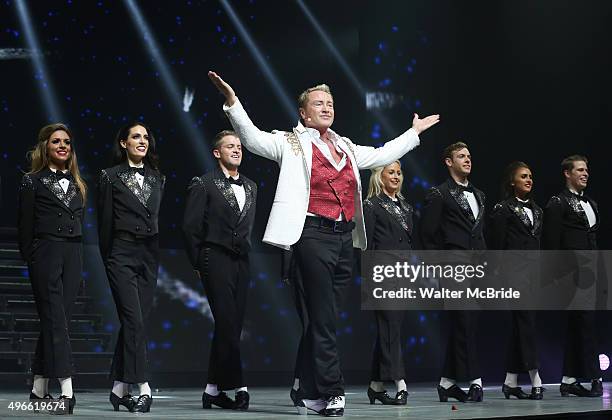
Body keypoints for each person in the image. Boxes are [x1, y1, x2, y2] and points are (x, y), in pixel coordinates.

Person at [209, 71, 439, 417]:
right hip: (311, 234)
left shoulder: (345, 145)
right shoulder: (289, 142)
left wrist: (413, 133)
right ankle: (330, 391)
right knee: (324, 319)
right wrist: (232, 102)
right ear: (304, 113)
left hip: (345, 237)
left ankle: (306, 386)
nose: (326, 107)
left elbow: (379, 155)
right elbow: (252, 138)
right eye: (319, 103)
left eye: (330, 103)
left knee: (324, 319)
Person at [182, 130, 257, 411]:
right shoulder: (204, 184)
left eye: (239, 146)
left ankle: (212, 389)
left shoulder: (252, 186)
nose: (237, 150)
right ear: (217, 153)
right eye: (230, 146)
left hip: (242, 261)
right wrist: (198, 262)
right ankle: (238, 385)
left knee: (231, 327)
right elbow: (189, 228)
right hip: (215, 258)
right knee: (226, 323)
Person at [18, 123, 86, 415]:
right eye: (56, 141)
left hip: (73, 254)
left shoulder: (77, 183)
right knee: (56, 321)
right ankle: (67, 391)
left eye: (67, 142)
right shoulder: (31, 181)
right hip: (45, 253)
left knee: (57, 321)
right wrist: (34, 258)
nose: (62, 146)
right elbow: (24, 228)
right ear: (45, 146)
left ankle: (38, 386)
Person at [97, 122, 165, 413]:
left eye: (146, 137)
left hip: (148, 255)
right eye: (136, 136)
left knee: (135, 324)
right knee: (134, 322)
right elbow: (104, 224)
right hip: (121, 253)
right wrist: (110, 259)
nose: (142, 141)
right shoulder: (109, 177)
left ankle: (117, 389)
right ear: (123, 143)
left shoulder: (158, 178)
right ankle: (143, 388)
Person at [420, 142, 485, 403]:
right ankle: (474, 381)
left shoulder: (480, 194)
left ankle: (447, 382)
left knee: (466, 324)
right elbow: (427, 234)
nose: (467, 160)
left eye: (469, 156)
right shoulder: (439, 193)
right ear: (448, 162)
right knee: (464, 322)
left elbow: (481, 234)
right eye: (461, 156)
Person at [542, 155, 602, 397]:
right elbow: (551, 244)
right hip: (572, 274)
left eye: (586, 170)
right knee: (585, 324)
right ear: (567, 173)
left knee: (581, 325)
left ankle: (568, 379)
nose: (585, 173)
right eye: (580, 170)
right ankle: (594, 376)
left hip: (592, 273)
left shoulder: (593, 204)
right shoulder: (558, 203)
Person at [489, 161, 545, 400]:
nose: (529, 180)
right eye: (523, 176)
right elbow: (498, 246)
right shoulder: (503, 209)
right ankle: (536, 378)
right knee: (526, 324)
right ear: (513, 182)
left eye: (531, 176)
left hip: (533, 276)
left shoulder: (539, 210)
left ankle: (511, 381)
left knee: (521, 327)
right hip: (513, 276)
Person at [363, 161, 412, 405]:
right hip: (382, 275)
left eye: (399, 172)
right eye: (391, 172)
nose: (396, 176)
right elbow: (366, 246)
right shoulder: (371, 206)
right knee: (390, 328)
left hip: (403, 275)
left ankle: (375, 385)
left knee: (390, 330)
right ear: (379, 176)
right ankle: (400, 383)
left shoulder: (406, 207)